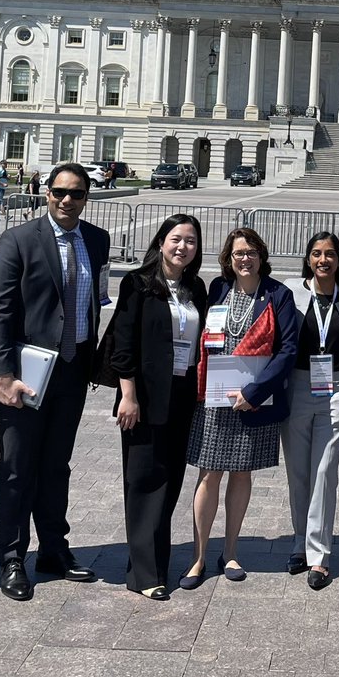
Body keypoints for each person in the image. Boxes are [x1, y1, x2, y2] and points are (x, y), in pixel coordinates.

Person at [0, 162, 111, 601]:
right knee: (18, 468)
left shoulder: (96, 240)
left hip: (73, 372)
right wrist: (3, 375)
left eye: (76, 194)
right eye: (59, 191)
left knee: (57, 467)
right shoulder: (18, 239)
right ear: (46, 193)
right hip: (24, 377)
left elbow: (96, 299)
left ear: (85, 198)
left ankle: (54, 549)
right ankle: (12, 557)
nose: (66, 200)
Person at [182, 227, 298, 587]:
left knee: (241, 474)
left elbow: (288, 350)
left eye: (250, 252)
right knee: (208, 474)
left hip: (253, 402)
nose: (244, 259)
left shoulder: (278, 295)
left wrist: (255, 391)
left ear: (261, 255)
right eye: (237, 254)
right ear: (228, 260)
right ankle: (199, 557)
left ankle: (229, 551)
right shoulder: (217, 289)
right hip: (215, 400)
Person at [112, 214, 207, 600]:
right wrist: (128, 395)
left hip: (182, 396)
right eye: (176, 239)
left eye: (190, 241)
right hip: (144, 398)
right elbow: (123, 344)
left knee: (168, 483)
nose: (182, 247)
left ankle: (150, 563)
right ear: (161, 242)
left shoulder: (195, 288)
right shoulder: (137, 284)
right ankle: (145, 576)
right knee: (143, 481)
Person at [281, 231, 339, 590]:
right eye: (316, 254)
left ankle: (319, 555)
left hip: (338, 388)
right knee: (299, 473)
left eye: (330, 254)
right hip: (297, 387)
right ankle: (300, 542)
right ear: (308, 259)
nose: (323, 260)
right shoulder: (291, 292)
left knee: (325, 471)